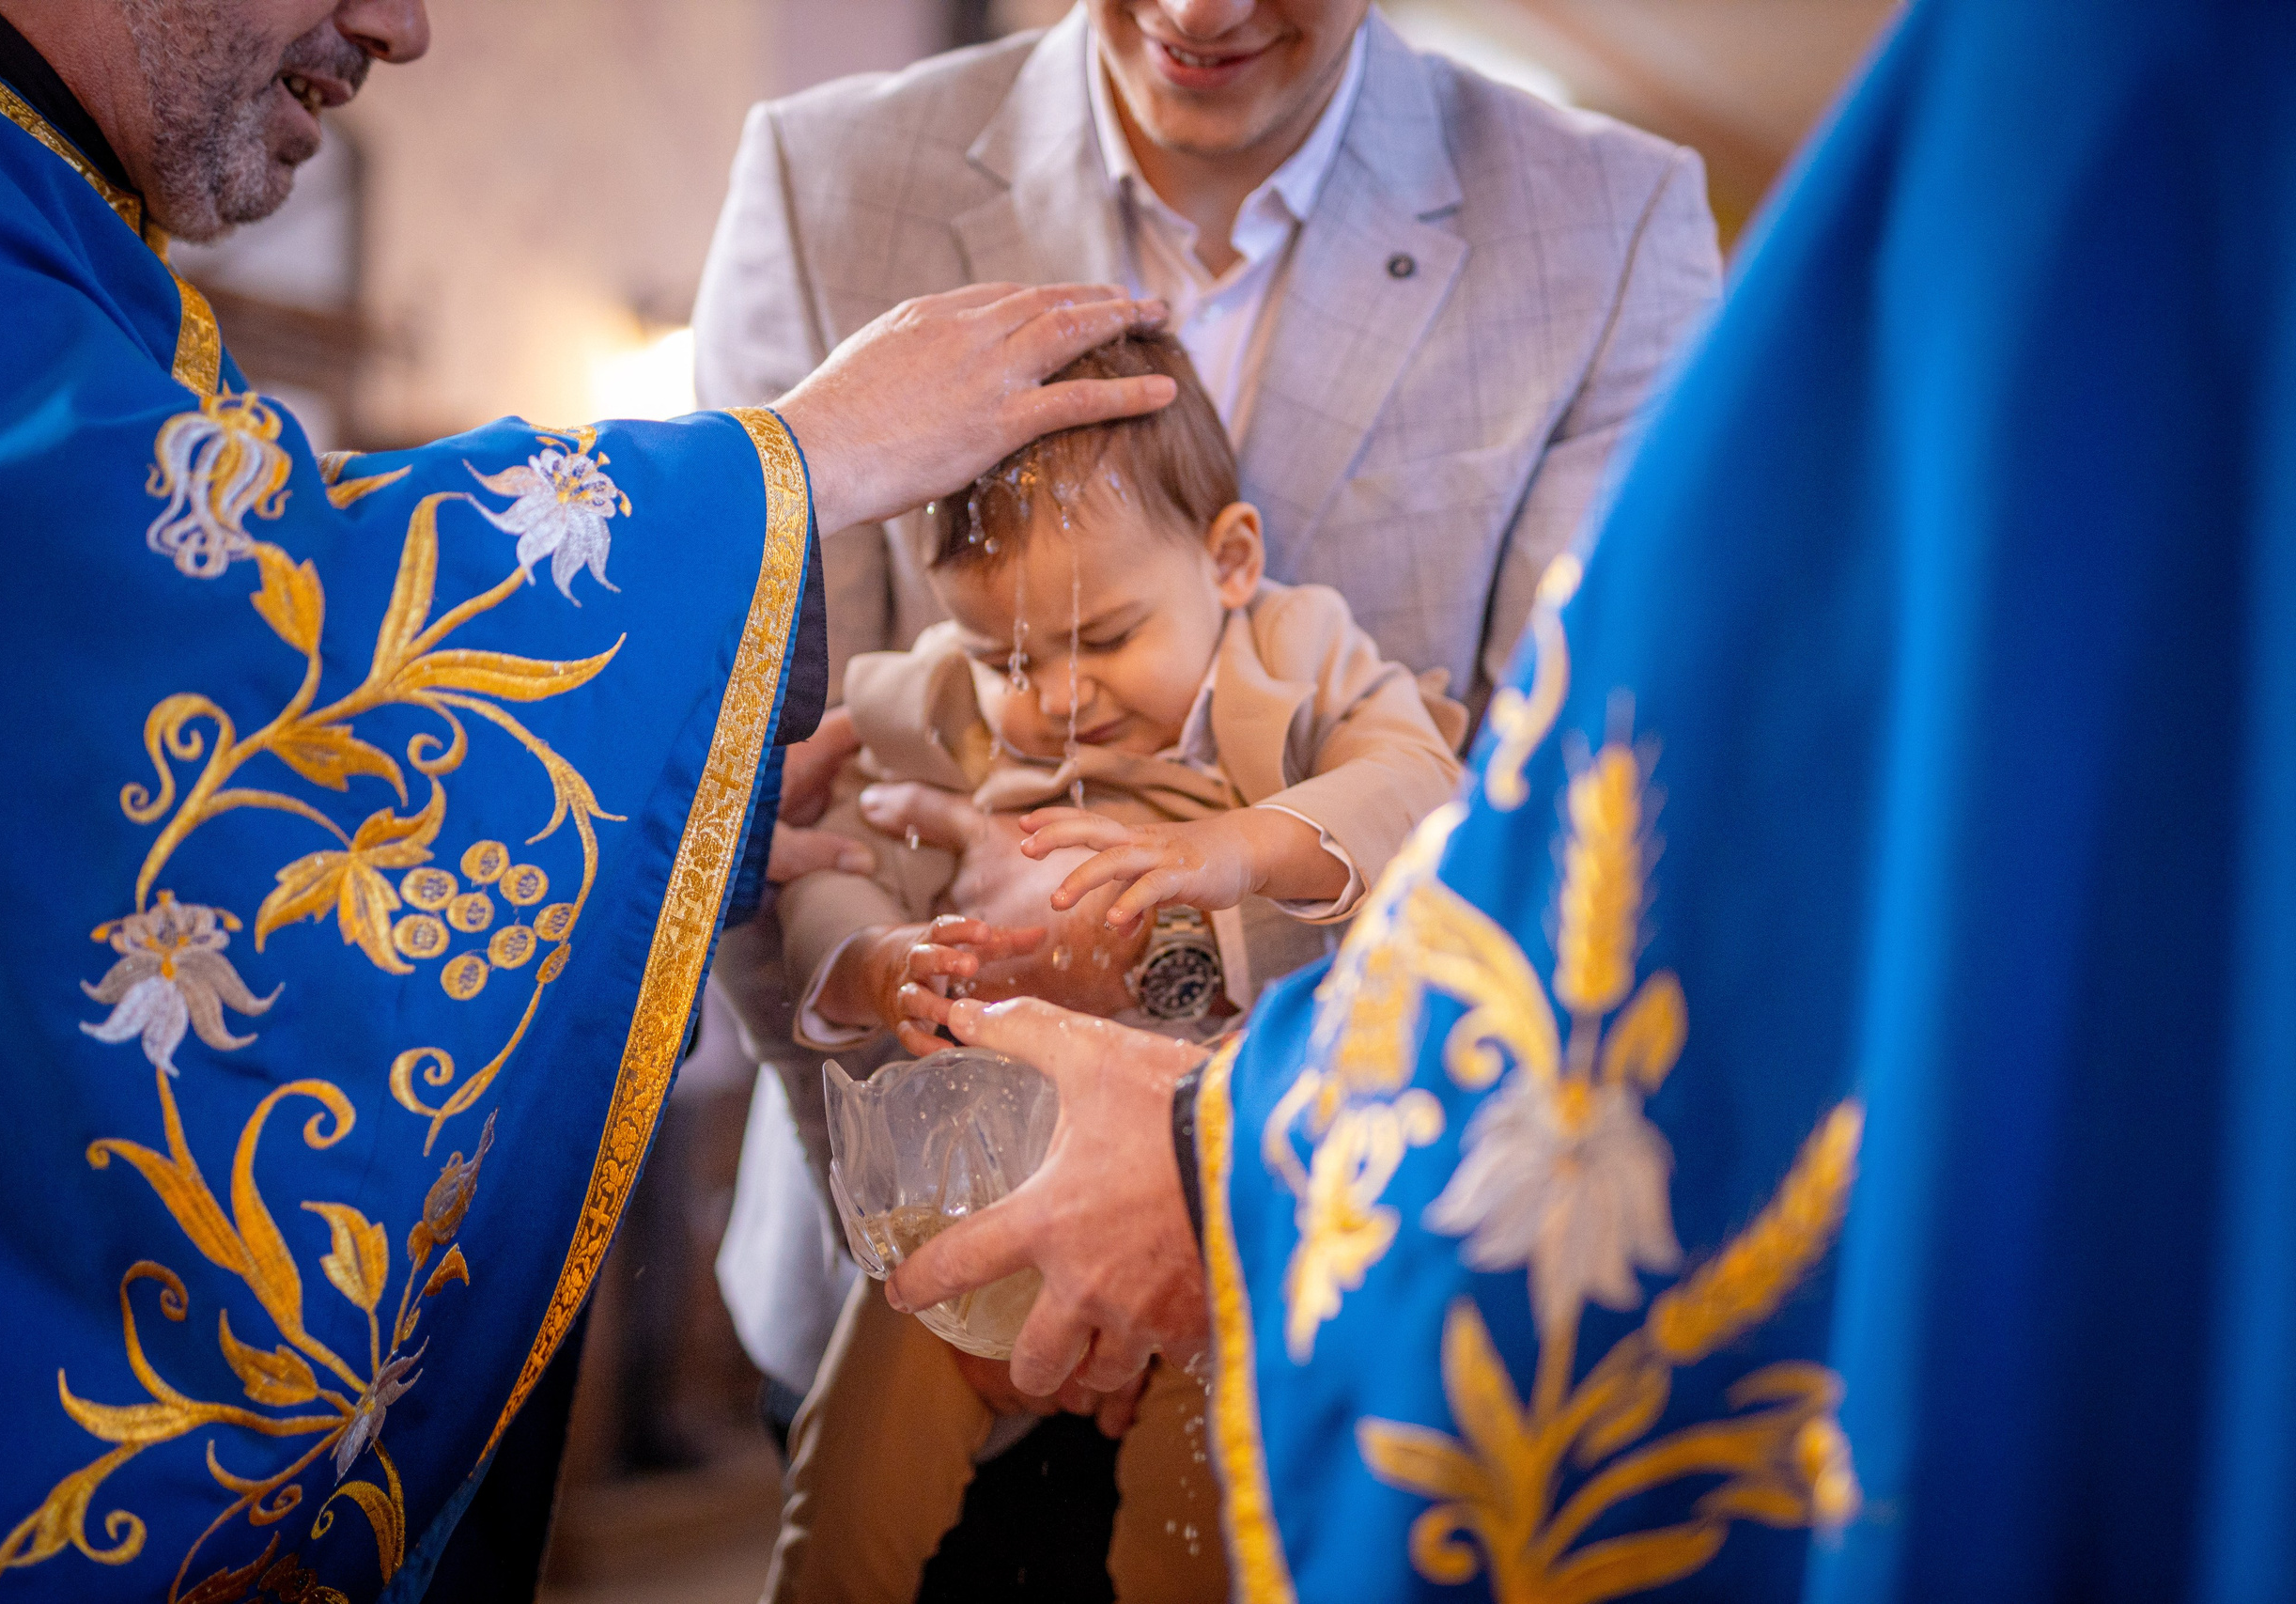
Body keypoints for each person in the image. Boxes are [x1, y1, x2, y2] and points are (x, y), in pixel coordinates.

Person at [882, 0, 2296, 1598]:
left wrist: (1220, 1133)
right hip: (945, 1220)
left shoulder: (1653, 205)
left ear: (1233, 562)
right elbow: (796, 771)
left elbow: (1615, 803)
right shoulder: (832, 171)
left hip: (1276, 1185)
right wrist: (941, 1089)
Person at [0, 1, 1179, 1597]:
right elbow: (204, 637)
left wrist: (656, 807)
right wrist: (791, 460)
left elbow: (47, 788)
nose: (401, 26)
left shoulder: (12, 200)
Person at [699, 0, 1723, 1493]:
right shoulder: (823, 181)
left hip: (1347, 1287)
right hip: (908, 1264)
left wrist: (1222, 1185)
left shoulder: (1612, 224)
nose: (1197, 14)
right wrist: (934, 1217)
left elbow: (1576, 832)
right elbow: (762, 787)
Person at [765, 330, 1464, 1604]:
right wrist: (874, 960)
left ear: (1230, 559)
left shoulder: (1297, 659)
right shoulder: (945, 706)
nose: (1058, 700)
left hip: (1221, 1197)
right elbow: (823, 852)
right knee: (861, 1456)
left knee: (1206, 1510)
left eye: (1108, 638)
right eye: (1010, 657)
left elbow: (1428, 793)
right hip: (988, 1178)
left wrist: (1234, 850)